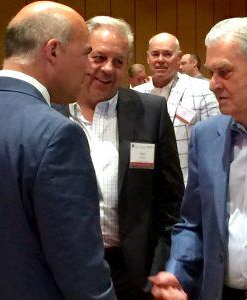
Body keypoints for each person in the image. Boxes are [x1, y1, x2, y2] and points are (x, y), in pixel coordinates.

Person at [150, 17, 247, 300]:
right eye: (211, 72)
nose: (212, 85)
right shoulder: (206, 137)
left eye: (224, 72)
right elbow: (193, 223)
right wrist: (177, 272)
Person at [56, 16, 184, 299]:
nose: (107, 69)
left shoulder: (150, 112)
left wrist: (160, 270)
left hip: (133, 274)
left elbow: (171, 204)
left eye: (118, 61)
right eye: (98, 57)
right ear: (81, 56)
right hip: (63, 270)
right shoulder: (51, 110)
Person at [0, 2, 115, 300]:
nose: (90, 66)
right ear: (53, 51)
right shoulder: (57, 134)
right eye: (87, 54)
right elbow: (79, 267)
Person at [134, 33, 219, 183]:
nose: (160, 59)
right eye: (155, 54)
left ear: (179, 57)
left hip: (187, 188)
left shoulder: (203, 90)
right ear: (148, 58)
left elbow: (214, 147)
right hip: (147, 189)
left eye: (167, 54)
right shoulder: (136, 95)